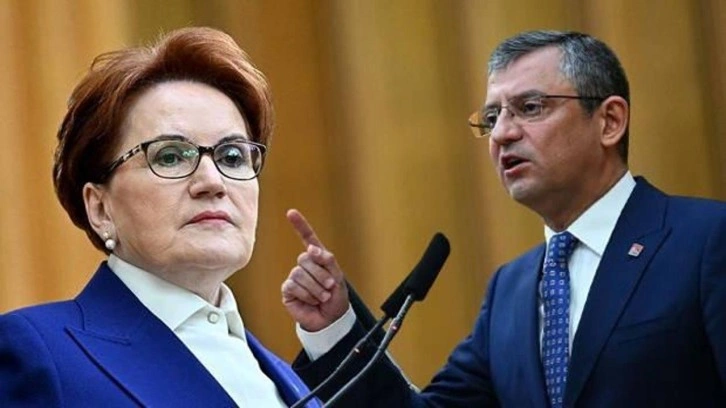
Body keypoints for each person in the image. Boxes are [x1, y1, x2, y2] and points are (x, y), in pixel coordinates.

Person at [281, 30, 726, 407]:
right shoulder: (509, 291)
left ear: (609, 121)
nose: (503, 134)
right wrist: (334, 327)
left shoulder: (706, 241)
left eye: (530, 107)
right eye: (492, 117)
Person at [0, 27, 321, 407]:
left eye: (232, 157)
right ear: (100, 208)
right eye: (169, 156)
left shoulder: (289, 382)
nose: (212, 182)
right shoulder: (39, 354)